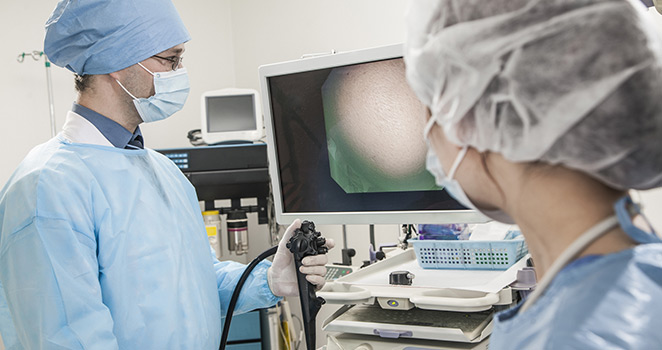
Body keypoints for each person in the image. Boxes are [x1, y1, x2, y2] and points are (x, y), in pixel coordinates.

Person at [0, 1, 332, 349]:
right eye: (169, 60)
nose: (179, 72)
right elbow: (66, 338)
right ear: (116, 61)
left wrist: (269, 279)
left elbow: (194, 285)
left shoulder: (163, 173)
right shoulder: (48, 187)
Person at [405, 0, 662, 348]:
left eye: (431, 104)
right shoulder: (642, 275)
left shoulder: (583, 337)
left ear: (469, 115)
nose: (429, 136)